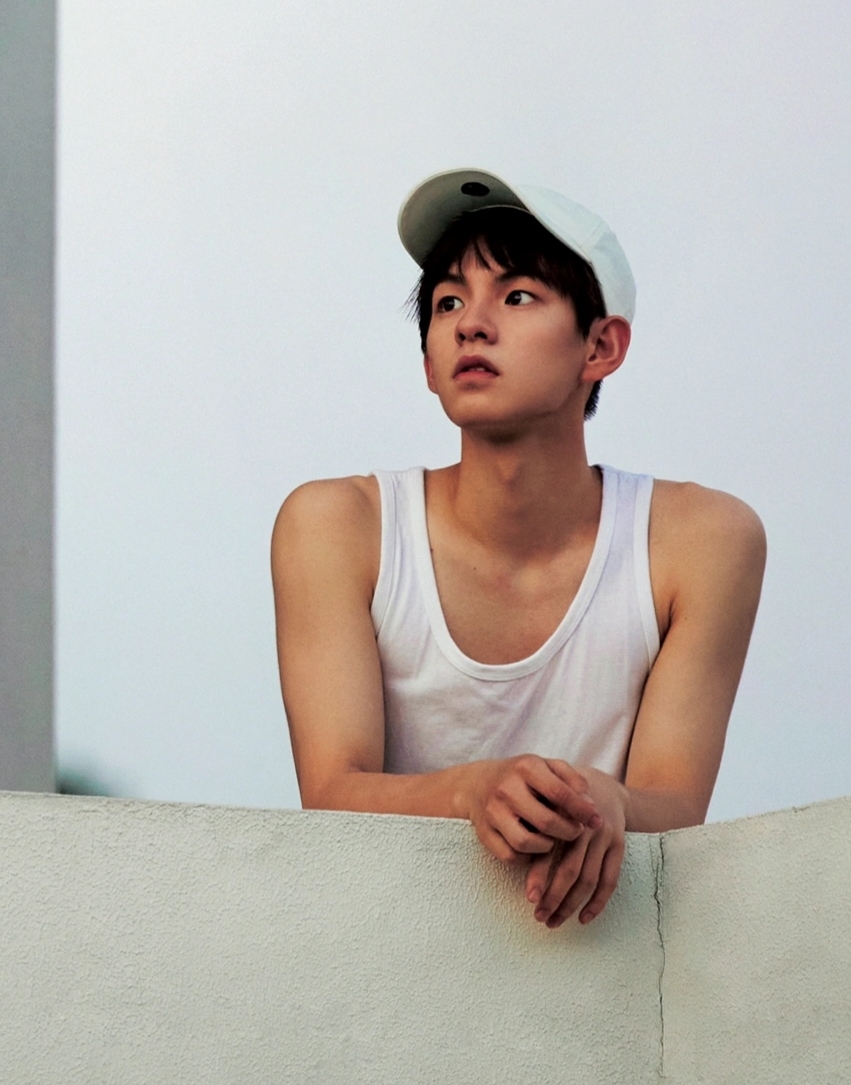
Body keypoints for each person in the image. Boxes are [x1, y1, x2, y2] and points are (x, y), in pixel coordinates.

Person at [271, 168, 766, 929]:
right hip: (380, 946)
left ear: (600, 346)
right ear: (428, 362)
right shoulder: (338, 524)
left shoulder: (701, 540)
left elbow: (673, 801)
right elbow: (332, 789)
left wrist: (610, 802)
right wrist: (472, 789)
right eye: (448, 302)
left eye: (518, 295)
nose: (471, 324)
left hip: (596, 959)